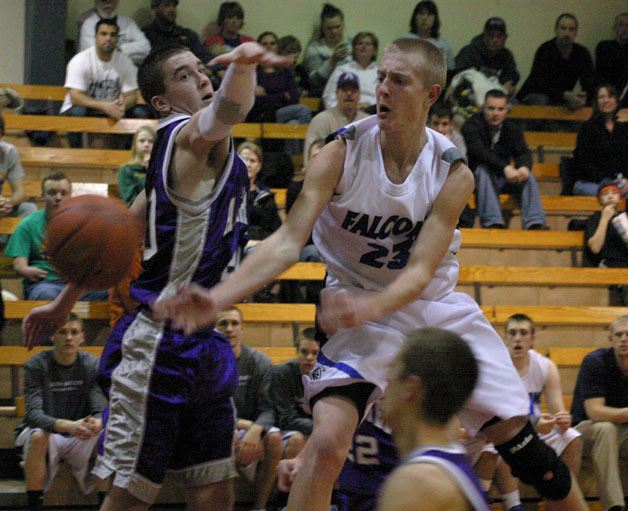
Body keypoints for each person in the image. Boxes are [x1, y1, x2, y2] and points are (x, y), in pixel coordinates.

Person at [152, 38, 588, 511]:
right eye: (380, 77)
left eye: (399, 81)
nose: (382, 89)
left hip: (434, 312)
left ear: (431, 94)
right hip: (358, 307)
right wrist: (217, 299)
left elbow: (420, 273)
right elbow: (285, 241)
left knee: (526, 454)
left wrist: (366, 307)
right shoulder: (339, 153)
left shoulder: (452, 172)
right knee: (327, 444)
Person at [21, 42, 291, 511]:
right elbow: (229, 108)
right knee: (131, 493)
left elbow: (120, 231)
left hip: (205, 342)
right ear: (162, 102)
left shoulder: (172, 159)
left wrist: (63, 301)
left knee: (215, 488)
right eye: (185, 76)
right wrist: (245, 65)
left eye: (201, 70)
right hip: (159, 346)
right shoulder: (186, 138)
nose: (204, 79)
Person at [377, 327, 489, 511]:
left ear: (410, 389)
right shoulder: (452, 463)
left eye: (391, 371)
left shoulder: (418, 482)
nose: (385, 384)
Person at [15, 313, 107, 511]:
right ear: (52, 336)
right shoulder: (36, 365)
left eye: (74, 332)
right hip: (48, 432)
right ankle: (34, 505)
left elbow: (100, 409)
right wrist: (68, 425)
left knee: (107, 434)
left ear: (82, 336)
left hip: (79, 432)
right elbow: (33, 415)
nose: (68, 338)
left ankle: (105, 503)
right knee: (38, 436)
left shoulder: (91, 365)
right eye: (62, 332)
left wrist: (96, 422)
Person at [493, 314, 583, 511]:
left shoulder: (545, 366)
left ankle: (559, 498)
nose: (517, 338)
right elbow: (498, 415)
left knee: (572, 437)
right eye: (512, 333)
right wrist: (534, 423)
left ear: (532, 339)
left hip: (537, 427)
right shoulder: (497, 367)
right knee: (508, 440)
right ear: (505, 338)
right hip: (506, 428)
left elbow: (557, 411)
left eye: (523, 333)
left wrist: (562, 420)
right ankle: (513, 505)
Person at [216, 306, 282, 511]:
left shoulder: (259, 361)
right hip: (222, 425)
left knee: (275, 438)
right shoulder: (208, 362)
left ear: (242, 329)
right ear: (214, 329)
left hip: (254, 426)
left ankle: (259, 507)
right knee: (224, 436)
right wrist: (241, 425)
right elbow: (206, 410)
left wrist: (254, 430)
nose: (229, 329)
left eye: (234, 323)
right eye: (223, 324)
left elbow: (269, 408)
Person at [5, 172, 108, 301]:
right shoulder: (27, 224)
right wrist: (27, 270)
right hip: (45, 283)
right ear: (43, 196)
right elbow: (19, 265)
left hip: (77, 285)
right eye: (52, 193)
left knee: (111, 293)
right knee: (46, 295)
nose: (58, 198)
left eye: (63, 193)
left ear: (70, 197)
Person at [462, 89, 547, 229]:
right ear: (483, 108)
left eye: (500, 109)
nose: (496, 113)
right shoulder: (471, 125)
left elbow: (523, 152)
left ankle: (535, 222)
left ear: (507, 110)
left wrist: (524, 167)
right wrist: (505, 167)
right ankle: (493, 222)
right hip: (474, 181)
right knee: (482, 170)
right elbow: (479, 153)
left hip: (502, 178)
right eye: (491, 108)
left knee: (528, 175)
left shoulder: (512, 127)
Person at [571, 315, 628, 511]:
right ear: (610, 339)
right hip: (584, 432)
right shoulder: (595, 361)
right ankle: (614, 507)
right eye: (619, 335)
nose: (624, 339)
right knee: (605, 428)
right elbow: (594, 412)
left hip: (622, 430)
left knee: (612, 429)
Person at [60, 18, 146, 148]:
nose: (108, 38)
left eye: (112, 35)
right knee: (78, 112)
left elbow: (132, 96)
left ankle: (128, 156)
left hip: (113, 107)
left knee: (140, 113)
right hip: (85, 107)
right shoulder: (80, 60)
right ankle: (76, 153)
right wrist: (105, 106)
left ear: (117, 39)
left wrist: (121, 106)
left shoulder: (125, 62)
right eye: (103, 34)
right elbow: (76, 97)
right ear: (95, 37)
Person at [517, 13, 595, 109]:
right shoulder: (545, 50)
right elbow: (540, 84)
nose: (567, 33)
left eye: (571, 29)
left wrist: (584, 97)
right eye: (563, 28)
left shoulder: (582, 53)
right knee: (542, 100)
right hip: (533, 95)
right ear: (556, 30)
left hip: (560, 97)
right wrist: (564, 95)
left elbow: (589, 82)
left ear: (575, 33)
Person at [571, 84, 628, 196]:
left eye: (610, 96)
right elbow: (584, 162)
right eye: (601, 97)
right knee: (612, 195)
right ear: (596, 102)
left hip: (617, 183)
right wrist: (608, 182)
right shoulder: (587, 128)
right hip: (589, 182)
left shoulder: (623, 129)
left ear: (616, 101)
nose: (606, 100)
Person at [303, 71, 368, 165]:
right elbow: (313, 161)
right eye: (344, 90)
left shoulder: (367, 121)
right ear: (337, 93)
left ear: (359, 95)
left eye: (353, 90)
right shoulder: (321, 120)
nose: (349, 93)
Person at [584, 179, 628, 305]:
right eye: (605, 193)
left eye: (614, 192)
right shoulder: (594, 219)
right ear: (599, 200)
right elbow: (595, 248)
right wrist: (605, 218)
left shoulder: (625, 217)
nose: (610, 196)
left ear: (620, 198)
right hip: (606, 265)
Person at [454, 17, 519, 97]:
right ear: (484, 36)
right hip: (469, 94)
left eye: (499, 36)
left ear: (505, 38)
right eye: (491, 35)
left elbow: (510, 79)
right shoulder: (469, 52)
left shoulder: (507, 56)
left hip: (496, 97)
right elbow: (458, 77)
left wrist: (509, 86)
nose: (495, 40)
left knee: (514, 104)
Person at [238, 141, 282, 255]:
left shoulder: (265, 195)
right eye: (244, 160)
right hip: (235, 246)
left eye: (252, 161)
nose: (248, 164)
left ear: (259, 166)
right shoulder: (228, 192)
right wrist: (245, 242)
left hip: (263, 246)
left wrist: (264, 243)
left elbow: (276, 229)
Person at [78, 0, 151, 66]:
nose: (108, 1)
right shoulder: (89, 25)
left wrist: (120, 49)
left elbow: (146, 48)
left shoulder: (127, 22)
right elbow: (100, 58)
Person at [303, 3, 352, 97]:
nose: (334, 31)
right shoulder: (314, 48)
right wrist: (332, 61)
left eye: (338, 27)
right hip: (328, 93)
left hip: (356, 89)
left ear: (343, 25)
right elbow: (314, 81)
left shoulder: (352, 44)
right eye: (329, 28)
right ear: (322, 28)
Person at [143, 0, 212, 65]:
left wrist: (218, 69)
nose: (172, 9)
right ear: (155, 8)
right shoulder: (145, 36)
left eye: (174, 5)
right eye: (167, 5)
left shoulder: (187, 34)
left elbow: (205, 56)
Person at [322, 32, 378, 111]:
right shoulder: (342, 70)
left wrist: (369, 106)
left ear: (374, 50)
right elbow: (328, 96)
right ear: (354, 49)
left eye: (368, 44)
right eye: (360, 43)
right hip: (348, 113)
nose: (363, 46)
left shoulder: (381, 72)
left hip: (375, 114)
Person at [0, 115, 37, 221]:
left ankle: (17, 238)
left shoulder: (8, 152)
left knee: (29, 208)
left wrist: (7, 203)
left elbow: (20, 192)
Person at [404, 1, 454, 72]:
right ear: (415, 17)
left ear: (435, 19)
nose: (424, 18)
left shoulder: (445, 45)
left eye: (429, 14)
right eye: (421, 14)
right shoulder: (403, 42)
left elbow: (450, 72)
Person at [117, 124, 155, 206]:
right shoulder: (127, 170)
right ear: (135, 144)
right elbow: (130, 201)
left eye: (151, 141)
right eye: (142, 141)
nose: (146, 145)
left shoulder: (161, 169)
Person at [595, 13, 628, 105]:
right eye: (621, 25)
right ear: (615, 28)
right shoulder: (604, 47)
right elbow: (600, 76)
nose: (625, 28)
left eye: (627, 25)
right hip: (607, 97)